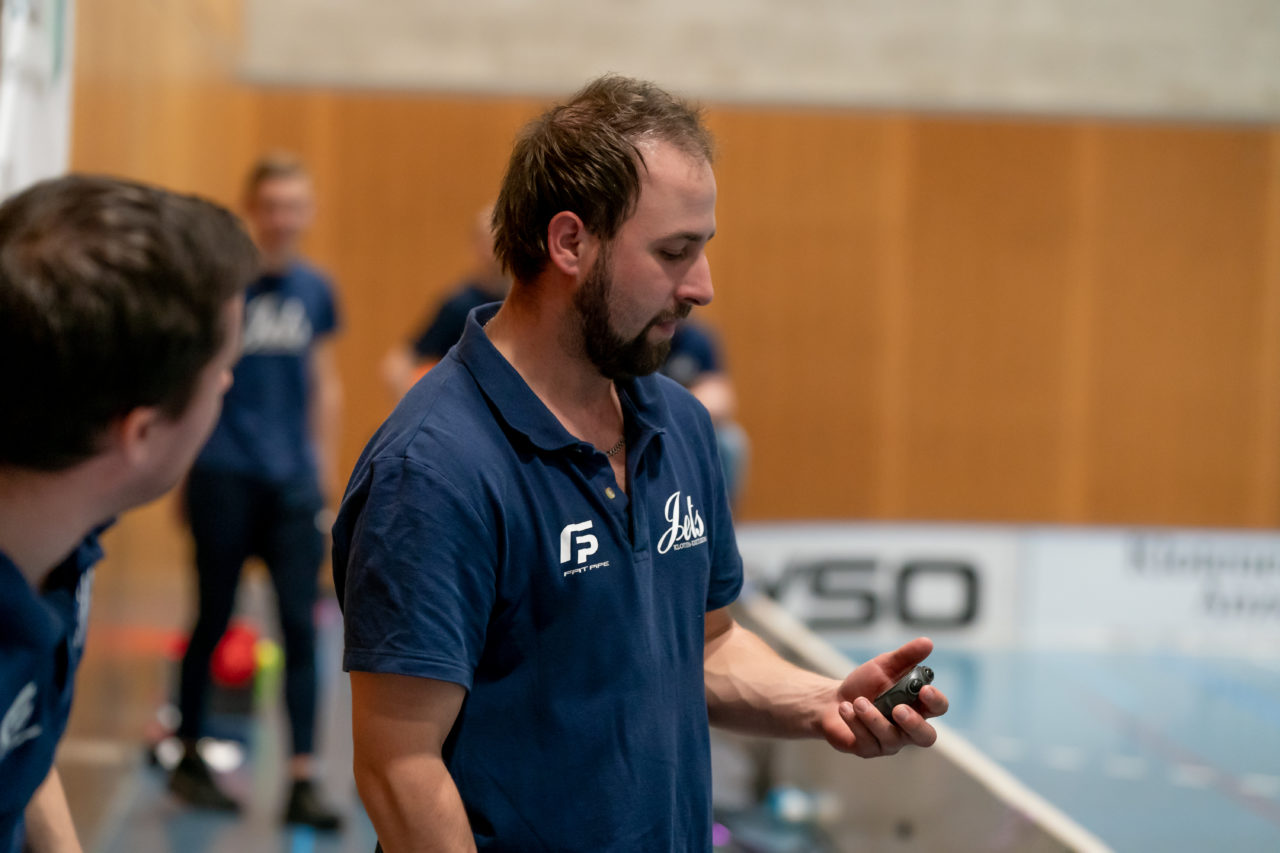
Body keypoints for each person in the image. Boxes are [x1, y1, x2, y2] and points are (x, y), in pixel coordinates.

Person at [332, 75, 948, 852]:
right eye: (672, 252)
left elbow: (705, 643)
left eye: (703, 249)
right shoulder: (434, 469)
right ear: (569, 243)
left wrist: (823, 697)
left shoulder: (679, 424)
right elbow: (400, 769)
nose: (703, 287)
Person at [0, 175, 256, 853]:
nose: (229, 384)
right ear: (139, 434)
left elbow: (21, 754)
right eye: (220, 372)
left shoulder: (60, 543)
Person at [167, 154, 343, 829]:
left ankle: (302, 776)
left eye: (293, 205)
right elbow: (191, 377)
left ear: (308, 212)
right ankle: (188, 755)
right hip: (221, 475)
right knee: (211, 618)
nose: (281, 218)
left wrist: (324, 473)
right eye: (270, 204)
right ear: (250, 208)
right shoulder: (218, 288)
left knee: (301, 627)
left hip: (291, 485)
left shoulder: (316, 290)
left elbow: (325, 382)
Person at [380, 204, 510, 398]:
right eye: (490, 240)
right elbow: (395, 366)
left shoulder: (526, 302)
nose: (495, 249)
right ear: (476, 246)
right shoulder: (458, 306)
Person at [661, 319, 749, 506]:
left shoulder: (696, 340)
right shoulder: (636, 338)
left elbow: (719, 402)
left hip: (684, 424)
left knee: (731, 442)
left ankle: (721, 518)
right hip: (642, 423)